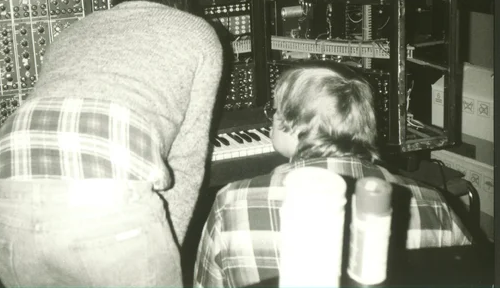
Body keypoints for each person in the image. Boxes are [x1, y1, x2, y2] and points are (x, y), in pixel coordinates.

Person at [0, 0, 224, 287]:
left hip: (2, 198)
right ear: (182, 6)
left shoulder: (72, 30)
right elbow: (187, 160)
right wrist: (167, 248)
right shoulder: (198, 32)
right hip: (105, 206)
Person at [194, 60, 472, 288]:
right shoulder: (435, 204)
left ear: (294, 123)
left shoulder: (232, 203)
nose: (273, 118)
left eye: (275, 110)